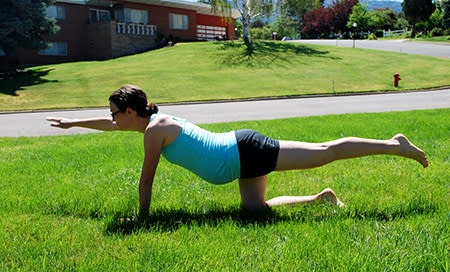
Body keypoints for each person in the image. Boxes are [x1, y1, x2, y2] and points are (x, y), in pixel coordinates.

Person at [46, 85, 429, 220]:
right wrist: (73, 123)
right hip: (237, 158)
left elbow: (147, 180)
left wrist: (143, 219)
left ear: (131, 112)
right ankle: (323, 198)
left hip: (245, 151)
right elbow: (112, 124)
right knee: (255, 211)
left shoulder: (154, 133)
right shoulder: (152, 122)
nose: (113, 120)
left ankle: (395, 146)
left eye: (116, 113)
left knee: (326, 151)